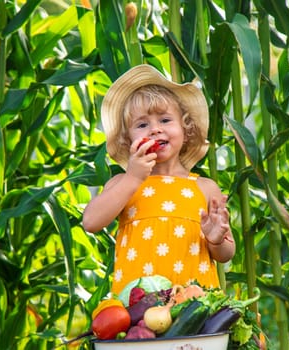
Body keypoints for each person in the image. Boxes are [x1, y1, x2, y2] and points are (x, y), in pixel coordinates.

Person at [82, 64, 235, 295]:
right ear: (127, 139)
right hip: (137, 313)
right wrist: (133, 177)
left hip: (193, 309)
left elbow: (226, 254)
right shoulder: (122, 184)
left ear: (186, 130)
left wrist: (215, 240)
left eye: (165, 120)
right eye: (142, 125)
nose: (154, 130)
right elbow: (91, 222)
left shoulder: (204, 187)